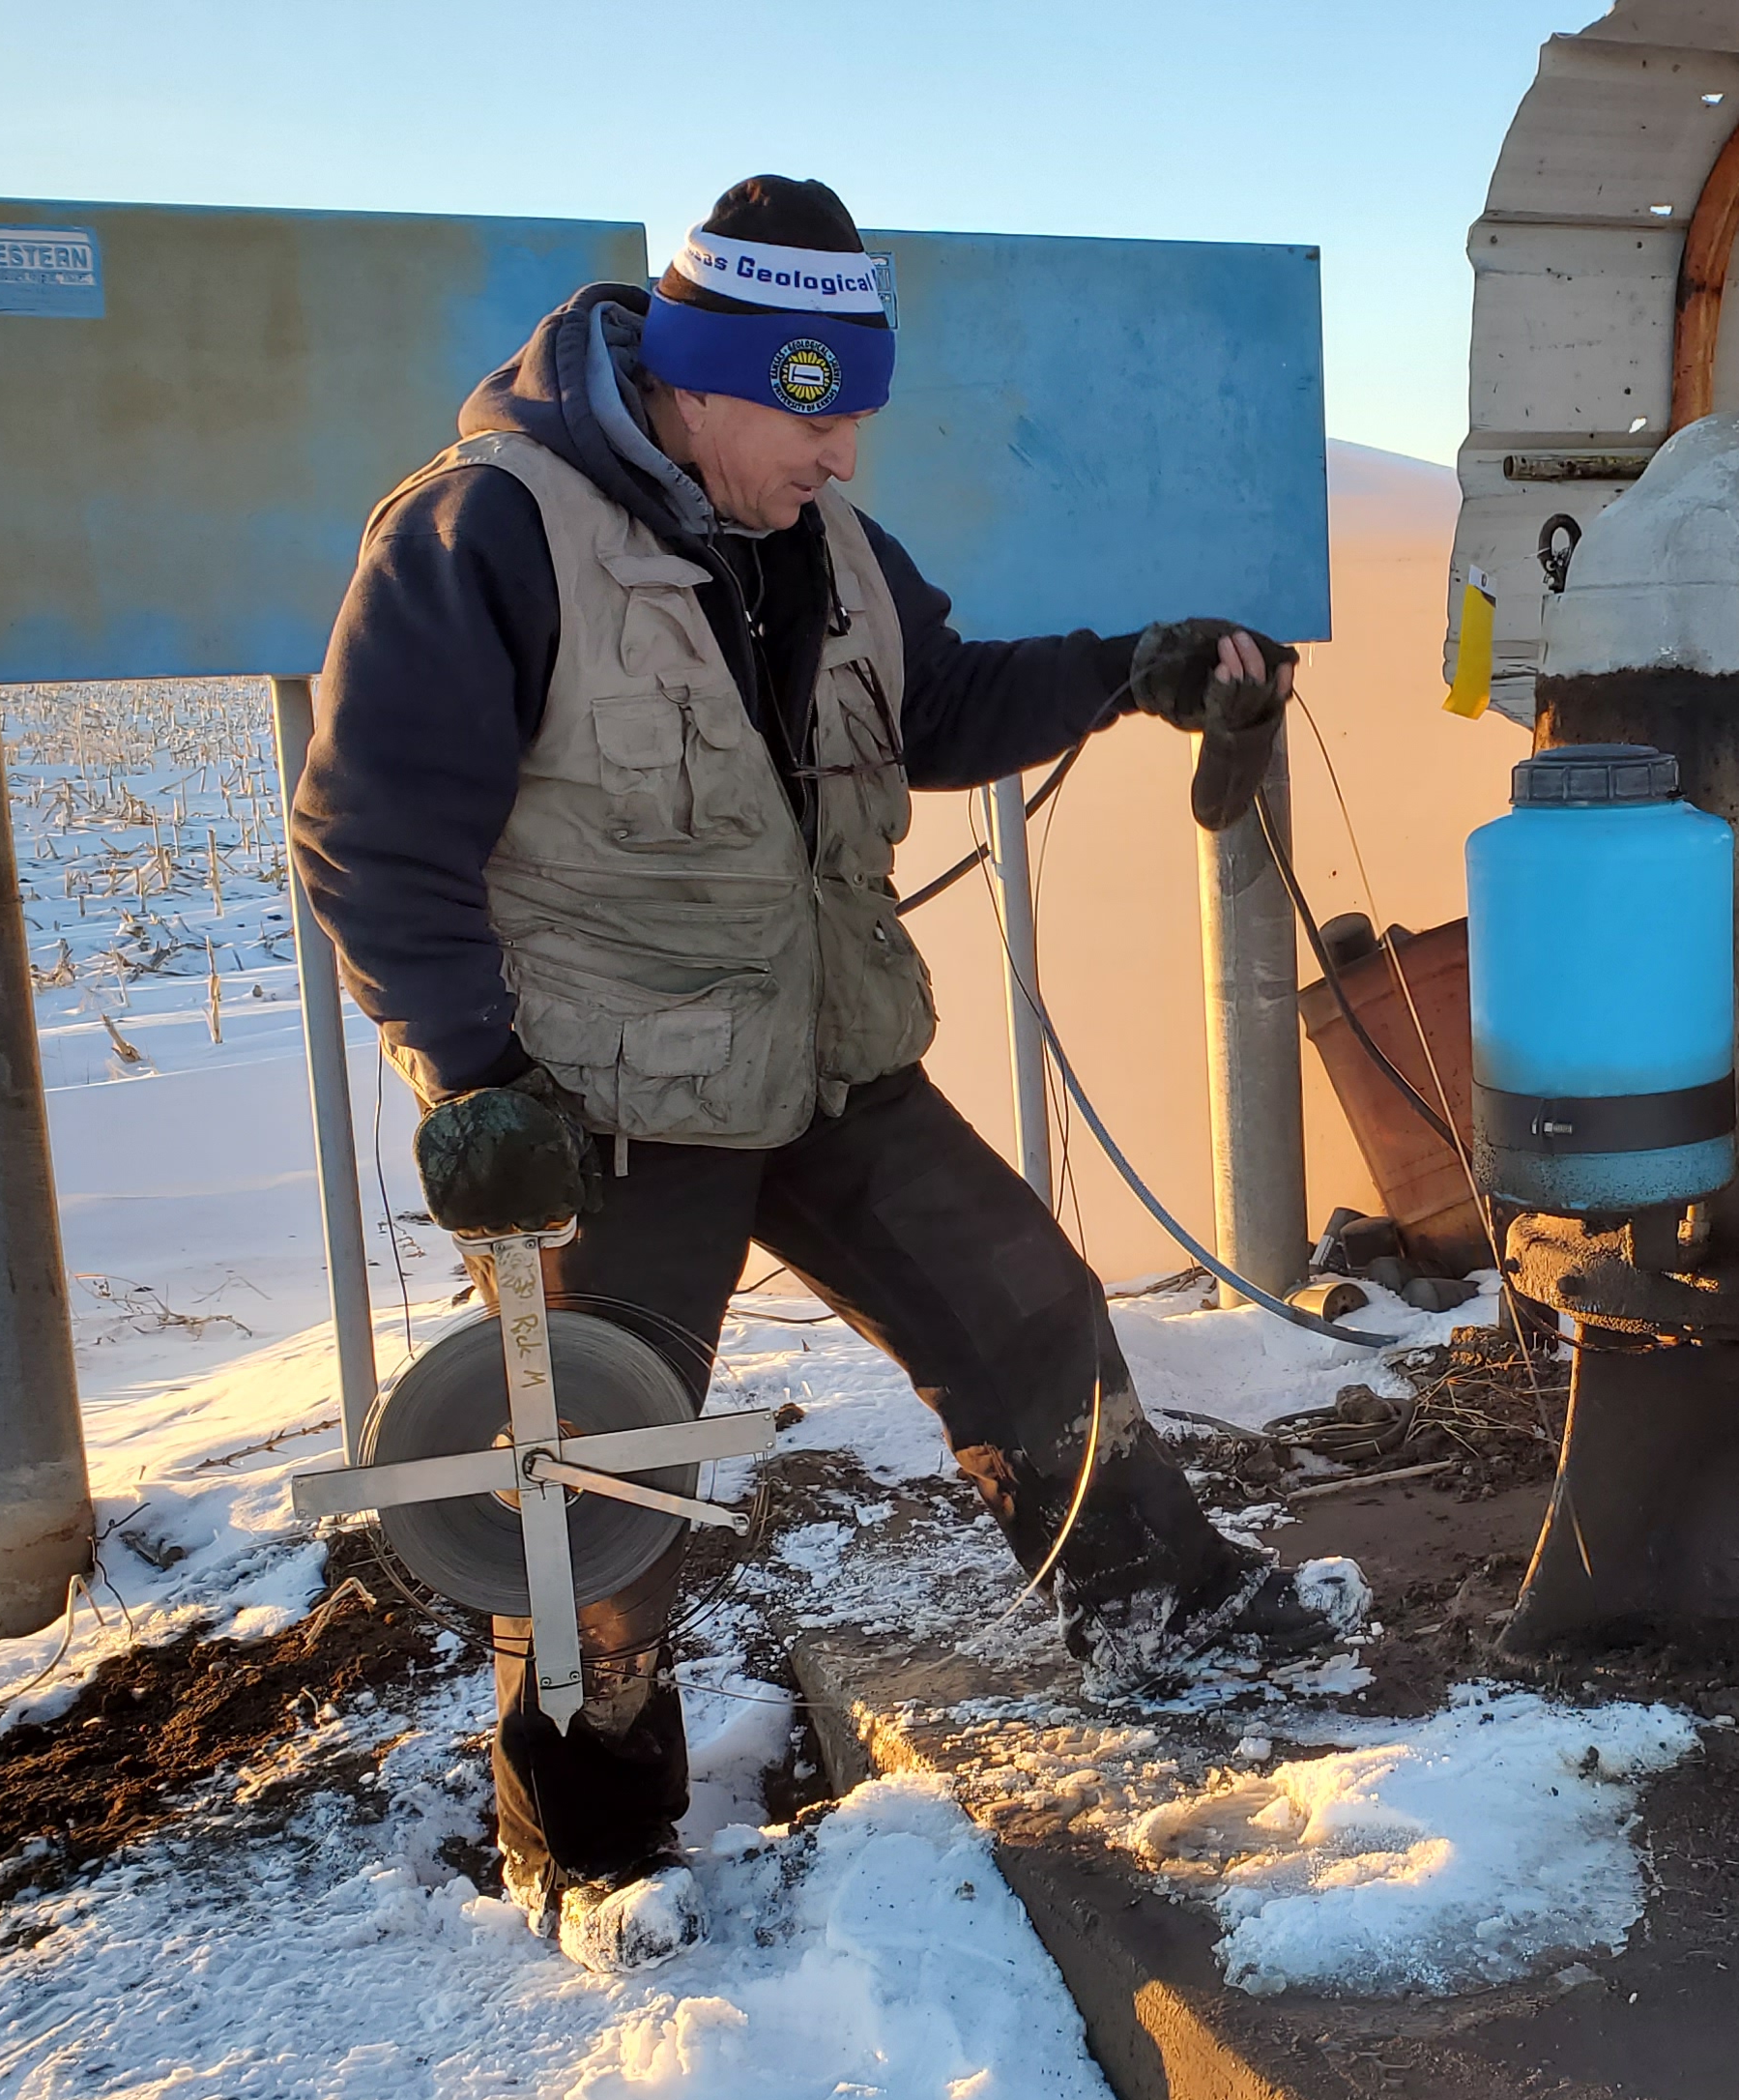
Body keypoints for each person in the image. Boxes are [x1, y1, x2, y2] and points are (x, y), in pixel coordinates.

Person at [293, 175, 1357, 1970]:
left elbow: (933, 711)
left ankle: (1166, 1613)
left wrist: (1131, 671)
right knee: (605, 1476)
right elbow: (370, 831)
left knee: (1025, 1305)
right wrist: (472, 1074)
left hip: (829, 1054)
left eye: (856, 405)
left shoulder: (832, 549)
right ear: (704, 379)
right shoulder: (489, 530)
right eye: (815, 405)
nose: (846, 449)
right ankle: (596, 1840)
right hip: (599, 1098)